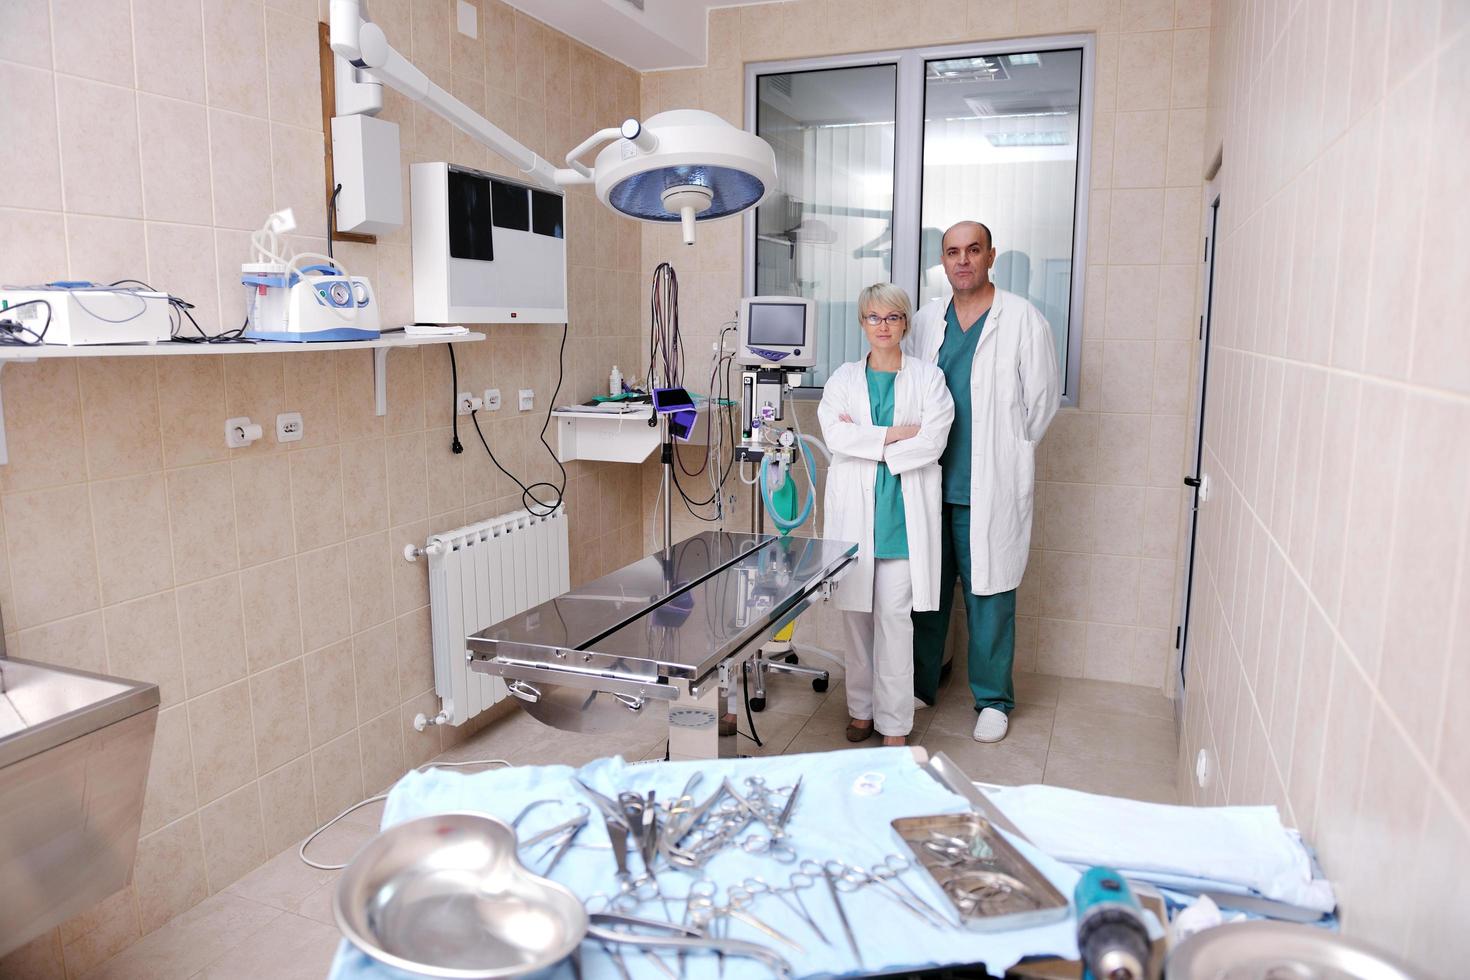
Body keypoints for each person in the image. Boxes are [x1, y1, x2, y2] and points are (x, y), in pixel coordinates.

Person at [904, 221, 1060, 743]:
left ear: (991, 256)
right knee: (925, 591)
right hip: (929, 482)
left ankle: (993, 699)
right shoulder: (926, 321)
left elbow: (1039, 407)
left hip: (988, 485)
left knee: (989, 595)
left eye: (973, 250)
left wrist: (1006, 448)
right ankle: (922, 684)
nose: (963, 260)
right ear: (943, 262)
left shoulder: (1022, 320)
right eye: (953, 252)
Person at [819, 283, 954, 747]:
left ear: (905, 324)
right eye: (874, 318)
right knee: (856, 617)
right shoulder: (842, 379)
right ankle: (861, 710)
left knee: (895, 621)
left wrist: (871, 444)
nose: (883, 326)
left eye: (893, 318)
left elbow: (934, 439)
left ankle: (894, 724)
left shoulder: (928, 378)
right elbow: (835, 435)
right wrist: (898, 434)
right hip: (856, 518)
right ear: (862, 323)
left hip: (902, 516)